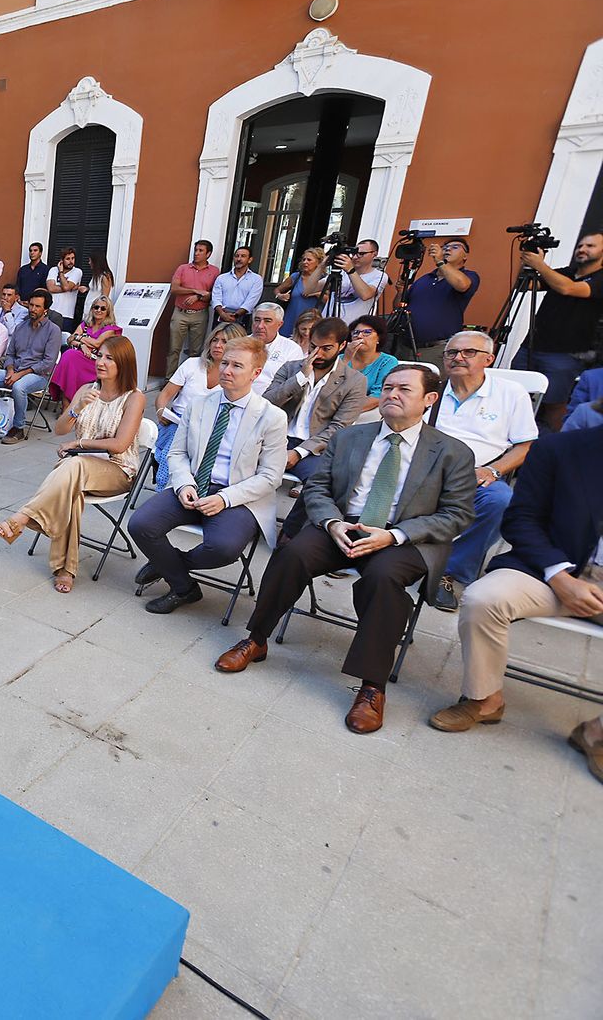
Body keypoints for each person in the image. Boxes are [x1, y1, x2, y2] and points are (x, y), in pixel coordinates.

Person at [214, 364, 476, 734]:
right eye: (387, 388)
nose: (392, 395)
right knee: (293, 554)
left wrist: (394, 536)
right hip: (344, 524)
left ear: (429, 399)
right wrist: (333, 523)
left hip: (403, 536)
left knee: (383, 580)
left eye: (404, 389)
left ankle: (372, 686)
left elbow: (457, 515)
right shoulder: (351, 438)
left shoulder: (451, 452)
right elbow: (317, 488)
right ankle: (256, 639)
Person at [427, 425, 603, 780]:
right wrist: (560, 576)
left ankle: (597, 732)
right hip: (552, 570)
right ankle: (485, 698)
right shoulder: (562, 448)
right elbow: (522, 519)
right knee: (483, 598)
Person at [130, 336, 288, 613]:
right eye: (224, 362)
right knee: (141, 524)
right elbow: (177, 453)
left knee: (224, 547)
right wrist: (184, 485)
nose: (226, 370)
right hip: (193, 485)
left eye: (237, 366)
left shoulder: (271, 417)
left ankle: (168, 563)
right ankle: (184, 588)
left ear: (256, 373)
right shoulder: (200, 403)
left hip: (238, 495)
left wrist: (225, 499)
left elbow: (271, 477)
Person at [0, 335, 147, 593]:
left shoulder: (134, 398)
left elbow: (119, 444)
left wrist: (79, 445)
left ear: (124, 364)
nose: (101, 362)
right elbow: (60, 430)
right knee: (71, 490)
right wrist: (76, 409)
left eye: (109, 358)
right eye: (99, 356)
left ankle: (24, 517)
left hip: (117, 469)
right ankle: (66, 568)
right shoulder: (87, 390)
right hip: (79, 469)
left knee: (73, 467)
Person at [429, 330, 538, 611]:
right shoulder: (432, 390)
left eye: (469, 352)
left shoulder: (509, 393)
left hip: (476, 474)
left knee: (501, 501)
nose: (458, 358)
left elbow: (525, 446)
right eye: (451, 352)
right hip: (424, 469)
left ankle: (449, 571)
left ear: (489, 359)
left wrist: (493, 470)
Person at [513, 230, 603, 432]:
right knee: (515, 395)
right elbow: (526, 285)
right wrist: (528, 263)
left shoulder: (599, 279)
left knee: (553, 404)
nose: (582, 249)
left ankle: (555, 445)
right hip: (531, 346)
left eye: (590, 246)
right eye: (581, 245)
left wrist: (541, 265)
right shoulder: (565, 273)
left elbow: (568, 289)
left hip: (565, 354)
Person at [262, 316, 366, 484]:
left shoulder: (354, 381)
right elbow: (267, 403)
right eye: (313, 347)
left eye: (326, 348)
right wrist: (300, 378)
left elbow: (339, 427)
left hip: (314, 448)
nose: (318, 354)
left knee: (318, 485)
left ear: (342, 346)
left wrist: (299, 452)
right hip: (275, 438)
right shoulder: (291, 368)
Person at [153, 323, 245, 487]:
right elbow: (165, 395)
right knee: (174, 447)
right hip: (178, 422)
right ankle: (166, 489)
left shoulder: (237, 375)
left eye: (225, 341)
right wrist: (161, 410)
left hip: (212, 428)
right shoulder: (192, 364)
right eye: (214, 340)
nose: (217, 345)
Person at [0, 289, 59, 444]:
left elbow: (48, 362)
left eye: (37, 306)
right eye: (31, 305)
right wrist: (10, 370)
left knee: (19, 387)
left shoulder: (53, 331)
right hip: (13, 371)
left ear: (46, 310)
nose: (32, 309)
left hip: (39, 375)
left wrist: (19, 374)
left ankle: (18, 428)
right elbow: (10, 354)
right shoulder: (21, 327)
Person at [399, 238, 478, 371]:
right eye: (445, 247)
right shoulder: (424, 279)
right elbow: (399, 305)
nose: (447, 249)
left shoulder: (469, 275)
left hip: (436, 349)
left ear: (465, 256)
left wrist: (440, 261)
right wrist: (400, 292)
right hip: (406, 346)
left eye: (455, 247)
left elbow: (462, 285)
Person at [50, 295, 121, 401]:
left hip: (96, 363)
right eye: (96, 307)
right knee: (70, 357)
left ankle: (67, 404)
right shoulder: (86, 324)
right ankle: (67, 404)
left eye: (103, 308)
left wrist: (79, 337)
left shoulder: (110, 328)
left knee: (69, 356)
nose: (98, 310)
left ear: (108, 311)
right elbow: (70, 339)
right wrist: (82, 345)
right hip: (78, 360)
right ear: (92, 309)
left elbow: (97, 343)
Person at [168, 240, 221, 373]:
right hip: (180, 313)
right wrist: (195, 291)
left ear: (208, 254)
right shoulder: (183, 268)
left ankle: (190, 379)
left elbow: (214, 294)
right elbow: (174, 289)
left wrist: (197, 297)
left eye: (200, 251)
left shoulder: (214, 271)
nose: (196, 253)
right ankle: (169, 379)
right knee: (173, 348)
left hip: (200, 314)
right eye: (196, 250)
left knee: (195, 350)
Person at [343, 314, 400, 412]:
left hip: (367, 413)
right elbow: (330, 388)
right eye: (355, 333)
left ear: (378, 338)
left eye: (367, 332)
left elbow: (378, 396)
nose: (359, 336)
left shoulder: (387, 362)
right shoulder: (341, 359)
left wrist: (345, 411)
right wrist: (346, 359)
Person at [247, 303, 303, 395]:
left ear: (279, 324)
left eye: (267, 321)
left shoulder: (292, 349)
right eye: (257, 320)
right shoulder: (239, 344)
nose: (260, 326)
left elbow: (291, 386)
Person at [331, 239, 389, 323]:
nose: (355, 257)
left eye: (361, 254)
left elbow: (365, 295)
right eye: (354, 253)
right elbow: (310, 289)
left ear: (374, 254)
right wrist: (322, 265)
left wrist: (350, 270)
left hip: (353, 328)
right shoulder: (342, 272)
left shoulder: (379, 275)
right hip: (328, 325)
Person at [274, 247, 327, 334]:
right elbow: (277, 290)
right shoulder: (296, 277)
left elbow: (329, 300)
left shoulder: (324, 280)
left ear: (318, 263)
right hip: (291, 319)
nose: (305, 262)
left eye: (309, 260)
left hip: (311, 322)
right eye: (304, 259)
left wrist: (316, 294)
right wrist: (280, 295)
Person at [211, 245, 264, 329]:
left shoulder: (256, 279)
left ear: (250, 260)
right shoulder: (222, 278)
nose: (239, 259)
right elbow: (216, 298)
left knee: (238, 342)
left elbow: (251, 301)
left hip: (242, 317)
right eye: (236, 256)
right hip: (221, 315)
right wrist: (222, 314)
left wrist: (235, 315)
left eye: (243, 256)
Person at [48, 246, 87, 329]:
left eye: (73, 258)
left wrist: (61, 273)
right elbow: (51, 288)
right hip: (51, 312)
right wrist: (71, 288)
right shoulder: (53, 270)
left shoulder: (77, 272)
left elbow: (65, 287)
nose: (71, 261)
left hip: (66, 314)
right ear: (61, 260)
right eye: (68, 259)